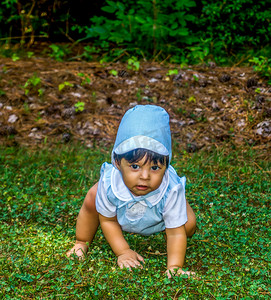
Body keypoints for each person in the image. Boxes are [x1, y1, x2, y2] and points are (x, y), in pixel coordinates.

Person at [67, 105, 196, 278]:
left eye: (155, 167)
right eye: (135, 166)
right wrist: (123, 251)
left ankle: (175, 214)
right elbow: (108, 221)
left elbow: (176, 232)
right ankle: (81, 242)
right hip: (118, 215)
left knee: (187, 225)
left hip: (158, 217)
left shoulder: (170, 189)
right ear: (118, 163)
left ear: (166, 166)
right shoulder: (110, 184)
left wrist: (174, 266)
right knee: (93, 196)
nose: (144, 176)